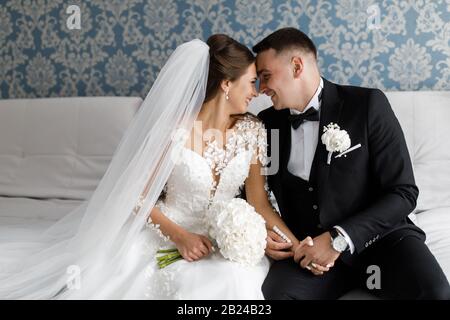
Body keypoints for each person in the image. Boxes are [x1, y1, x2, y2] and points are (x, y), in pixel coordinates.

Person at [0, 35, 301, 299]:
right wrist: (180, 237)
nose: (257, 91)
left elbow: (259, 202)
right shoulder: (173, 130)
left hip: (227, 239)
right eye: (251, 82)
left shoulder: (254, 130)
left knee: (232, 278)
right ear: (226, 84)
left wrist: (296, 245)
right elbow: (136, 195)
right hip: (170, 231)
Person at [255, 27, 450, 299]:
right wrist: (262, 234)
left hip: (384, 243)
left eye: (265, 77)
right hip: (311, 256)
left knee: (435, 292)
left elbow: (403, 192)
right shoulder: (267, 125)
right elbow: (252, 195)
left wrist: (339, 238)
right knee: (276, 294)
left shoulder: (367, 104)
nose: (261, 89)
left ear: (297, 66)